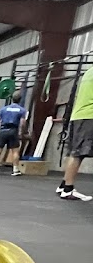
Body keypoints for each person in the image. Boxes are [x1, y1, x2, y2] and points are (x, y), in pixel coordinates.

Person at [56, 64, 93, 202]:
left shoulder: (89, 72)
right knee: (78, 153)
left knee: (75, 152)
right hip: (88, 116)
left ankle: (64, 185)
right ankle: (68, 189)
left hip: (78, 116)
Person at [0, 91, 28, 176]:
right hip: (13, 131)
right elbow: (22, 123)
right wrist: (21, 133)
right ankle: (15, 170)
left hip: (3, 130)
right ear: (20, 99)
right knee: (15, 152)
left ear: (12, 99)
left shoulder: (3, 109)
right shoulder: (22, 110)